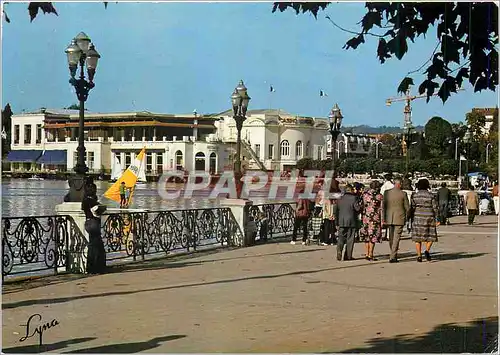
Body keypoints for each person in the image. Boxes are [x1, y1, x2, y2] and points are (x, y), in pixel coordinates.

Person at [410, 178, 439, 262]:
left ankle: (419, 255)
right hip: (429, 216)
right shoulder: (431, 195)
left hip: (418, 217)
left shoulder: (415, 195)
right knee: (430, 236)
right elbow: (435, 208)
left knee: (418, 238)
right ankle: (427, 250)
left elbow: (412, 207)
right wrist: (437, 218)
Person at [82, 182, 107, 274]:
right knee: (97, 246)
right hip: (94, 223)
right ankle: (97, 268)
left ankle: (91, 267)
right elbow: (98, 209)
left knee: (93, 244)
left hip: (88, 222)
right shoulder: (91, 201)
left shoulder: (85, 200)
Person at [383, 177, 409, 263]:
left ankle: (392, 252)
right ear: (400, 184)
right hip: (399, 217)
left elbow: (384, 206)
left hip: (389, 217)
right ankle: (393, 255)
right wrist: (407, 217)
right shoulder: (403, 194)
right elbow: (407, 208)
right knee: (396, 237)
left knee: (391, 236)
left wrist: (383, 217)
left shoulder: (387, 193)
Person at [335, 184, 362, 261]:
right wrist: (361, 207)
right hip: (351, 221)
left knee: (340, 238)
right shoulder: (354, 198)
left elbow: (336, 211)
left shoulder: (339, 199)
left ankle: (339, 251)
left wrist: (336, 222)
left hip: (341, 221)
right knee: (350, 239)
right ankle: (348, 256)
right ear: (351, 190)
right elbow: (357, 209)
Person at [360, 180, 383, 261]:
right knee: (372, 236)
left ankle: (367, 253)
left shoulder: (365, 195)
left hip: (365, 217)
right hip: (375, 218)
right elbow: (381, 208)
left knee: (366, 236)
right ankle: (371, 254)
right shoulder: (379, 196)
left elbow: (362, 205)